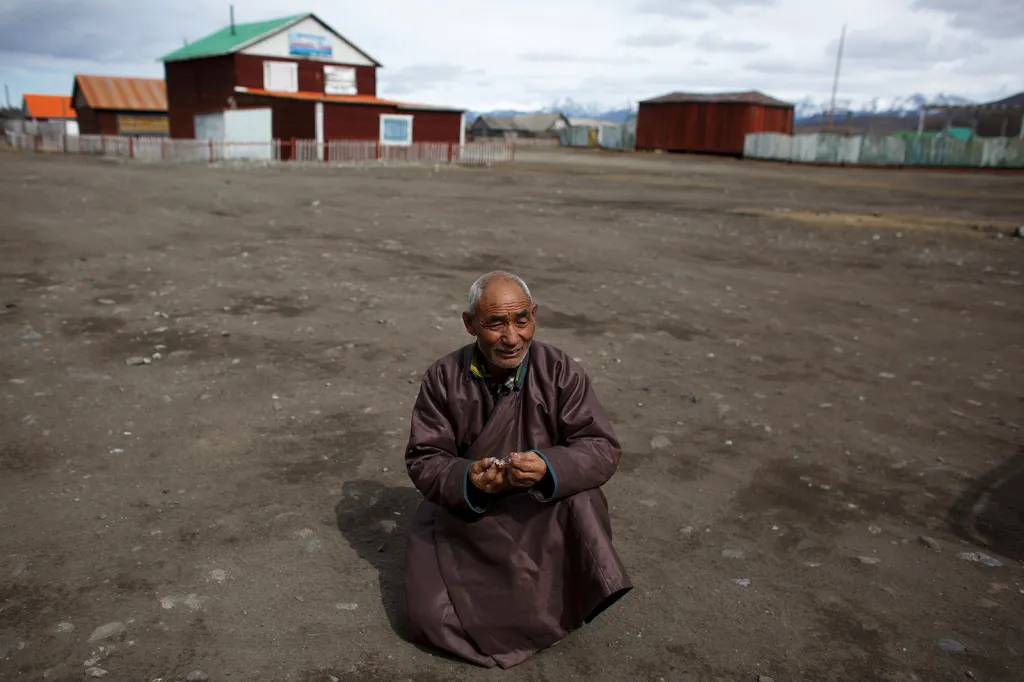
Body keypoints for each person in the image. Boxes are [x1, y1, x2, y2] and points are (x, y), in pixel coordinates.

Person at [401, 270, 632, 669]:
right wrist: (470, 478)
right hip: (472, 512)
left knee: (584, 499)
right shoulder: (443, 377)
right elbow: (425, 457)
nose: (511, 337)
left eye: (521, 320)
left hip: (540, 506)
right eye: (495, 323)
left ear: (534, 316)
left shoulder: (559, 370)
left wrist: (548, 465)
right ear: (470, 323)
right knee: (426, 616)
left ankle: (553, 603)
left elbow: (600, 446)